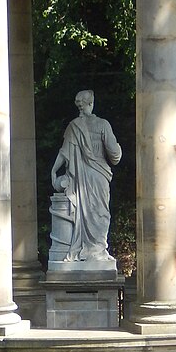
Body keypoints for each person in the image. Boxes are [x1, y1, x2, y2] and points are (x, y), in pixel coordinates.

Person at [50, 90, 122, 264]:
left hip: (81, 177)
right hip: (99, 176)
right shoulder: (103, 125)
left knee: (83, 213)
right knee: (101, 214)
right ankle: (98, 250)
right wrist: (118, 148)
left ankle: (89, 250)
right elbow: (115, 156)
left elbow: (64, 152)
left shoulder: (74, 126)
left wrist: (53, 171)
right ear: (91, 103)